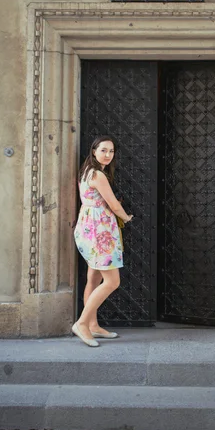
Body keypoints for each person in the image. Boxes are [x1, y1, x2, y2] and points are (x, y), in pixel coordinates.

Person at [72, 135, 133, 347]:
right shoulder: (98, 175)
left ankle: (93, 325)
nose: (108, 155)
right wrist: (126, 217)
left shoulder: (86, 171)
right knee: (112, 281)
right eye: (103, 150)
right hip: (99, 234)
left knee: (94, 279)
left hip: (90, 230)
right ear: (94, 151)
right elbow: (114, 205)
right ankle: (81, 323)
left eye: (111, 151)